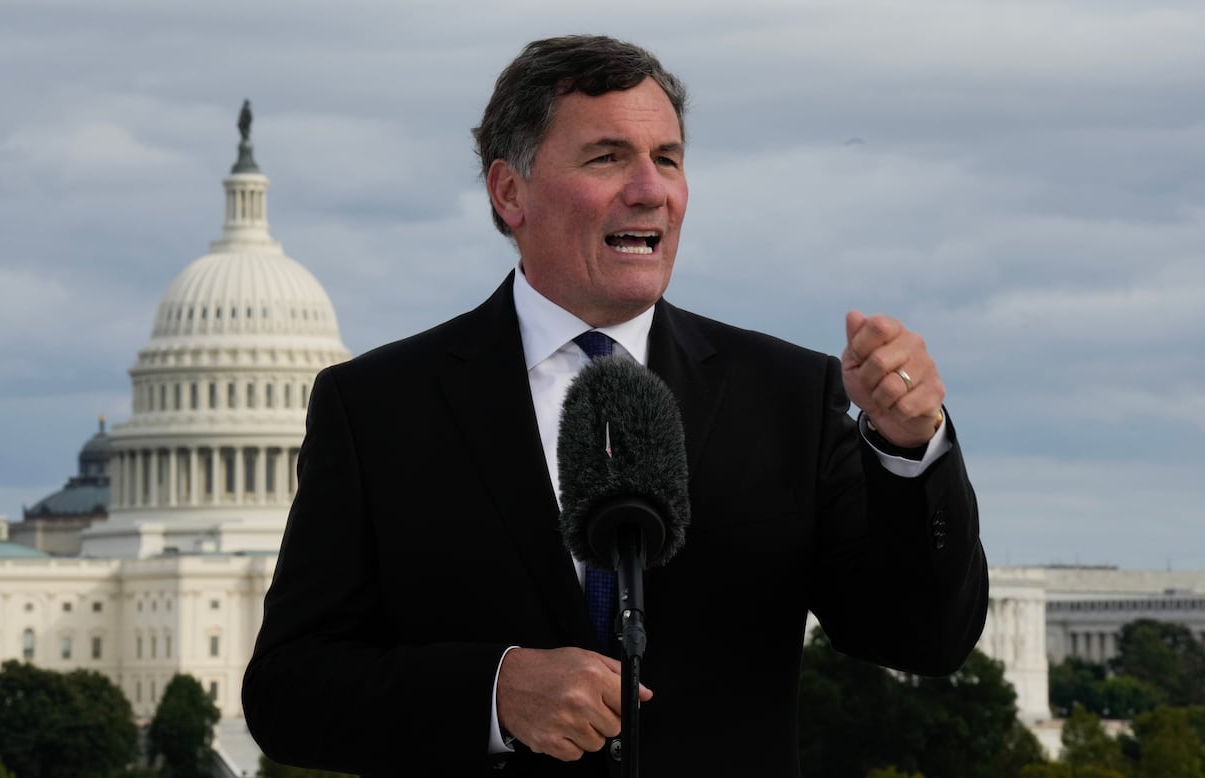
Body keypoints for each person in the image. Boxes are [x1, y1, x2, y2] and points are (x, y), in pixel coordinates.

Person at [242, 34, 988, 777]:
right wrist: (494, 693)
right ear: (510, 193)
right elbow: (288, 692)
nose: (649, 189)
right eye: (607, 158)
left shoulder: (790, 396)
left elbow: (923, 638)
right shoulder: (378, 408)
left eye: (667, 158)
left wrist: (908, 449)